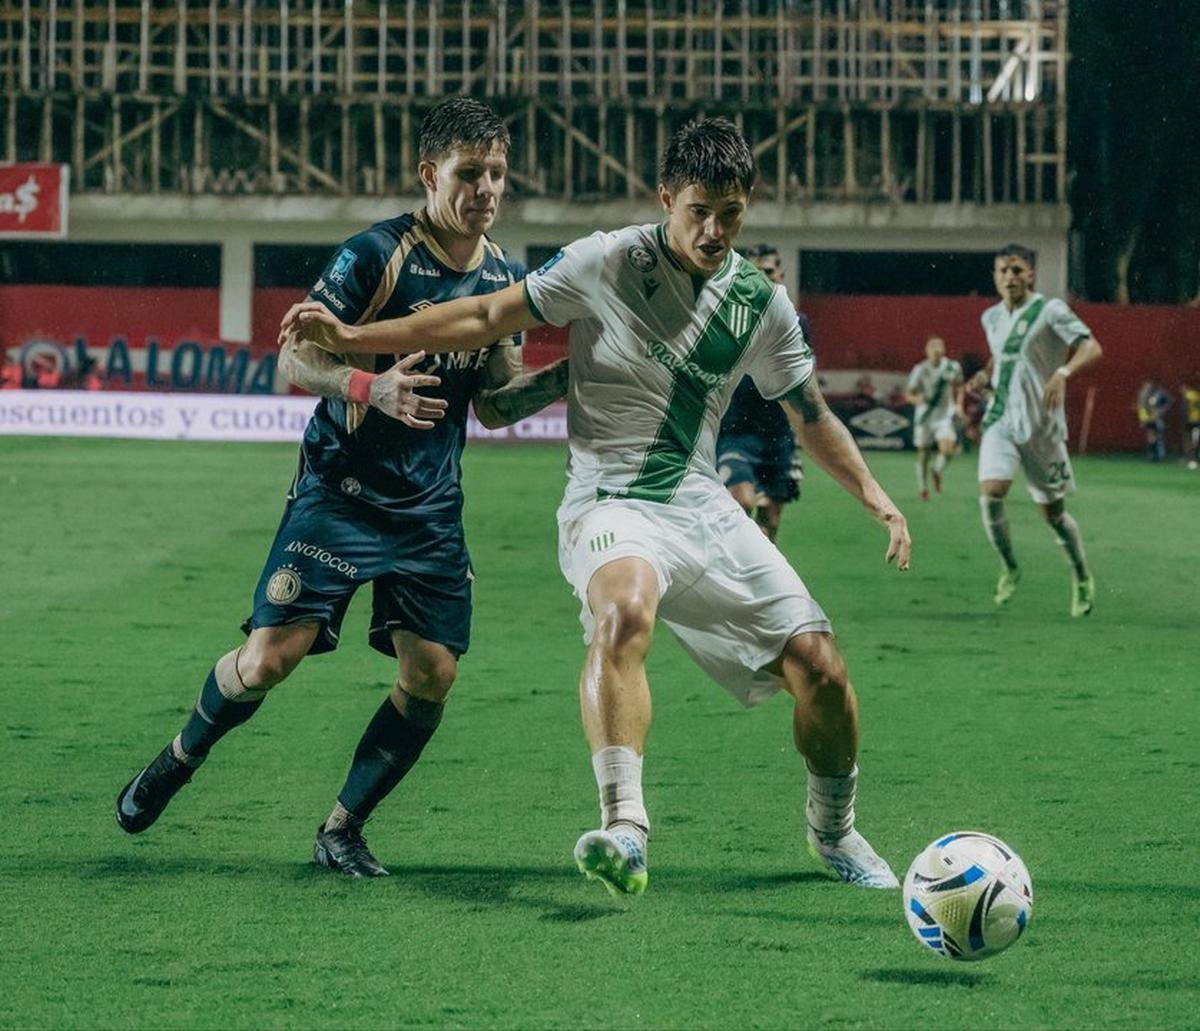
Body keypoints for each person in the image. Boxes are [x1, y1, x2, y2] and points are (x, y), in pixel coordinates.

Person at [283, 117, 912, 894]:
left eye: (732, 214)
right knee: (625, 612)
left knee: (821, 666)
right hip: (608, 500)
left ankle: (835, 832)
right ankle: (625, 828)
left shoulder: (760, 303)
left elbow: (809, 413)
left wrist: (878, 499)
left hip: (701, 502)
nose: (714, 231)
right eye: (700, 212)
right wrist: (354, 336)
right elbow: (484, 316)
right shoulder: (607, 259)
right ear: (666, 198)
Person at [115, 96, 569, 877]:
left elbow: (495, 403)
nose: (487, 189)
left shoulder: (504, 278)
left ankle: (342, 827)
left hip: (429, 508)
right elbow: (294, 357)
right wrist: (368, 386)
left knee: (433, 673)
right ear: (429, 174)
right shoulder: (375, 256)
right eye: (469, 172)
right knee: (267, 660)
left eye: (497, 172)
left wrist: (571, 376)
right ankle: (180, 754)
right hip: (341, 491)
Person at [970, 244, 1102, 616]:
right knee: (992, 492)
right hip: (1001, 419)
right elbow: (1001, 356)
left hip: (1042, 428)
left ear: (1030, 274)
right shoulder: (991, 317)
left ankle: (1081, 576)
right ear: (995, 277)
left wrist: (1063, 372)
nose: (1009, 277)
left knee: (1053, 515)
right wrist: (985, 376)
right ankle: (1010, 567)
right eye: (1002, 271)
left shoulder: (1050, 310)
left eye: (1016, 270)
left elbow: (1092, 347)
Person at [715, 243, 808, 542]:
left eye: (768, 271)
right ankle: (735, 558)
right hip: (735, 432)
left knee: (771, 520)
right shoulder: (725, 319)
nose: (762, 279)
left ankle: (757, 567)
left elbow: (801, 382)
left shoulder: (797, 323)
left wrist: (803, 430)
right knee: (741, 502)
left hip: (779, 436)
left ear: (780, 275)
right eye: (754, 273)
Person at [905, 336, 964, 499]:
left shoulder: (952, 367)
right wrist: (918, 399)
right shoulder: (920, 369)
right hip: (925, 416)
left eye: (939, 347)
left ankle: (936, 471)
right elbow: (909, 394)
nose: (936, 351)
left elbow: (960, 386)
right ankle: (923, 488)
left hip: (944, 415)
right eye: (933, 348)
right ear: (927, 351)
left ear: (943, 350)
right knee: (924, 452)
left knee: (948, 449)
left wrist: (959, 405)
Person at [1135, 380, 1171, 462]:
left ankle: (1157, 455)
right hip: (1149, 419)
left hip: (1156, 419)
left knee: (1157, 437)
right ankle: (1153, 455)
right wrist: (1143, 418)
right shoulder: (1143, 394)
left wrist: (1161, 411)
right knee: (1152, 436)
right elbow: (1141, 407)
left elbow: (1168, 401)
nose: (1148, 387)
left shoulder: (1159, 393)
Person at [1182, 384, 1200, 470]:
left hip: (1190, 422)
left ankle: (1191, 459)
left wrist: (1184, 419)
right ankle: (1193, 459)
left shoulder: (1188, 396)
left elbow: (1185, 408)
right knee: (1195, 440)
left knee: (1189, 440)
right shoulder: (1197, 395)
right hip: (1197, 422)